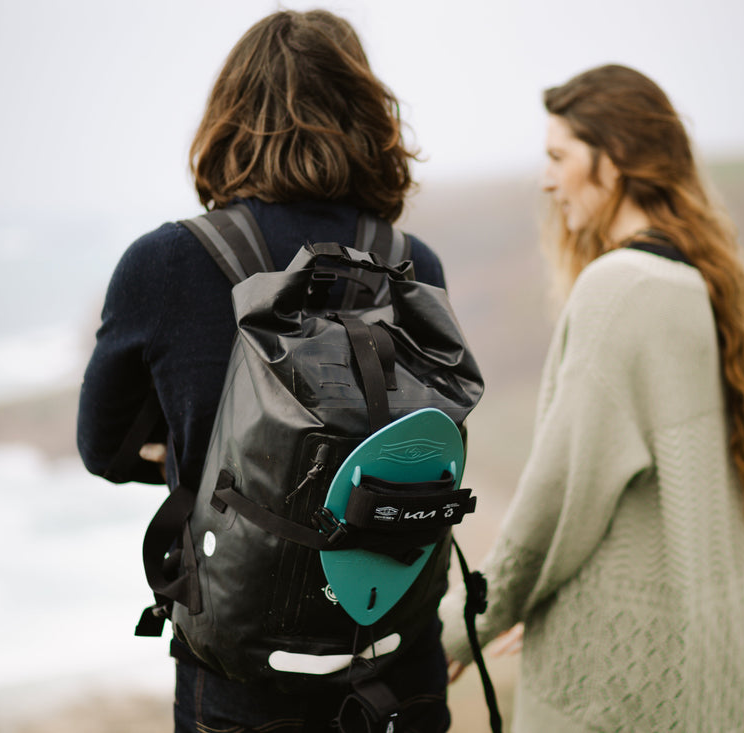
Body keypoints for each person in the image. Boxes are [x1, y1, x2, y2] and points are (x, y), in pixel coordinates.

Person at [77, 10, 452, 732]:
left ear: (229, 120)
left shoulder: (166, 265)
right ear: (369, 120)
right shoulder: (414, 264)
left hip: (241, 681)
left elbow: (104, 449)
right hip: (397, 665)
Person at [440, 64, 744, 732]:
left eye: (559, 157)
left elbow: (556, 501)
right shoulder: (695, 284)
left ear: (613, 158)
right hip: (694, 679)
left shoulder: (618, 290)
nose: (546, 179)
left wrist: (458, 628)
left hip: (610, 699)